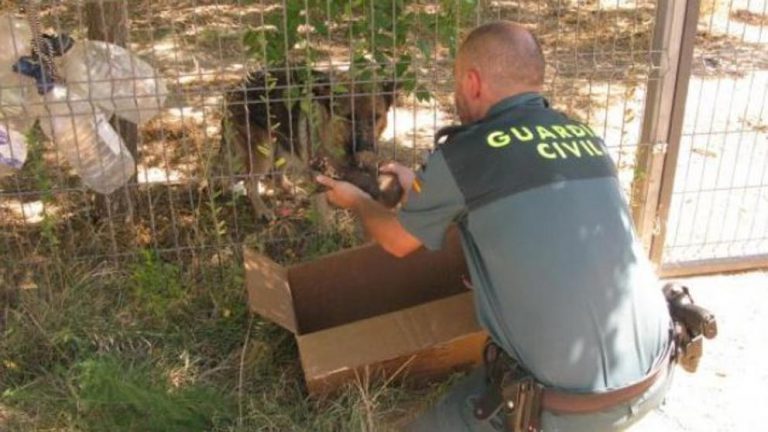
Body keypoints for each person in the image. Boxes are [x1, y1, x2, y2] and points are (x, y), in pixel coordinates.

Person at [316, 21, 673, 432]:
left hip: (570, 406)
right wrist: (422, 185)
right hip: (655, 371)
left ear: (471, 81)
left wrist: (356, 199)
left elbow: (396, 242)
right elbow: (510, 209)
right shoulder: (585, 137)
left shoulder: (466, 154)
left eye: (454, 83)